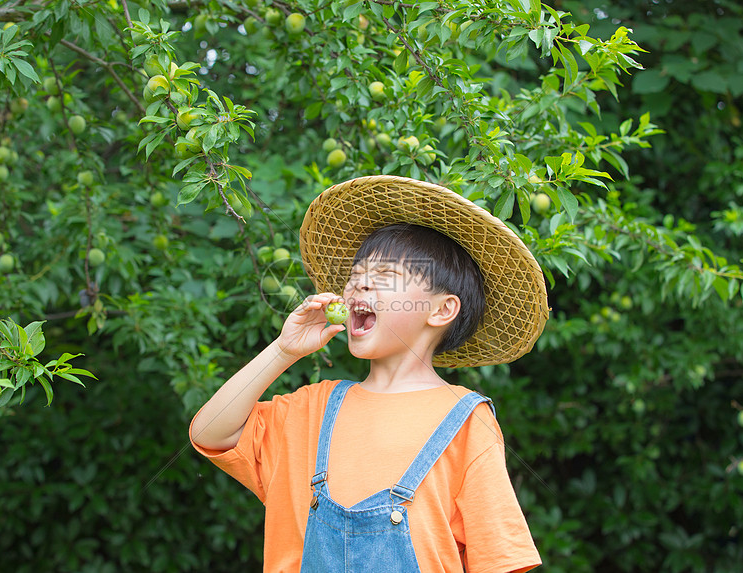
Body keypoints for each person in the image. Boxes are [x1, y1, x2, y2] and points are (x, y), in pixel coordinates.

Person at [190, 175, 550, 572]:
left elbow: (500, 561)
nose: (358, 284)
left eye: (383, 277)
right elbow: (210, 433)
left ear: (442, 310)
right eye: (356, 275)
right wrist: (282, 351)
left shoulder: (466, 422)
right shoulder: (310, 408)